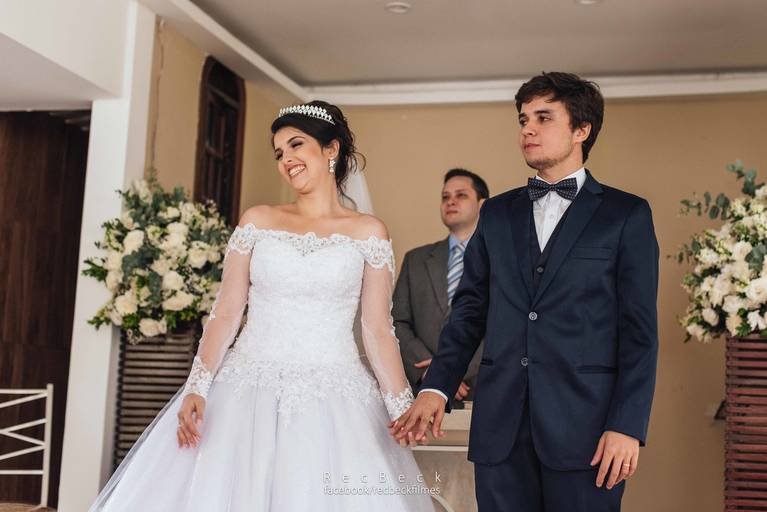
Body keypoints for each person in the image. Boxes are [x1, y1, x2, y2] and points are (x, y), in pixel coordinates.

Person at [91, 101, 434, 511]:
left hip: (334, 395)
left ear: (331, 149)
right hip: (243, 392)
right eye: (279, 152)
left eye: (296, 145)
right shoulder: (257, 221)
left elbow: (377, 329)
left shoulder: (368, 232)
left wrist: (401, 406)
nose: (286, 159)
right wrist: (198, 386)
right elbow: (226, 311)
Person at [393, 72, 659, 512]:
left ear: (581, 129)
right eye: (523, 119)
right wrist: (436, 387)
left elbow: (639, 333)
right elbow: (470, 310)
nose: (527, 130)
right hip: (500, 429)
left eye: (543, 117)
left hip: (588, 431)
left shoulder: (626, 214)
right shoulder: (497, 213)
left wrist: (627, 425)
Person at [393, 168, 488, 404]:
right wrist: (434, 373)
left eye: (461, 195)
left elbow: (507, 325)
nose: (450, 201)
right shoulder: (415, 259)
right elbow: (397, 322)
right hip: (422, 391)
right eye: (445, 197)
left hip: (483, 389)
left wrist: (450, 371)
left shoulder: (502, 260)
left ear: (482, 204)